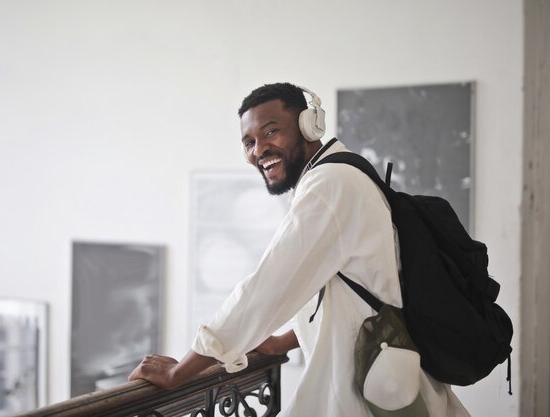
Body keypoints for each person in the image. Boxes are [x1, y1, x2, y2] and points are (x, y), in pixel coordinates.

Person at [128, 82, 470, 416]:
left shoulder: (329, 185)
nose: (258, 149)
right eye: (248, 141)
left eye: (271, 131)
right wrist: (282, 342)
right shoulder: (343, 173)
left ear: (309, 125)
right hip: (386, 385)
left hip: (364, 396)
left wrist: (180, 373)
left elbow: (265, 289)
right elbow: (349, 289)